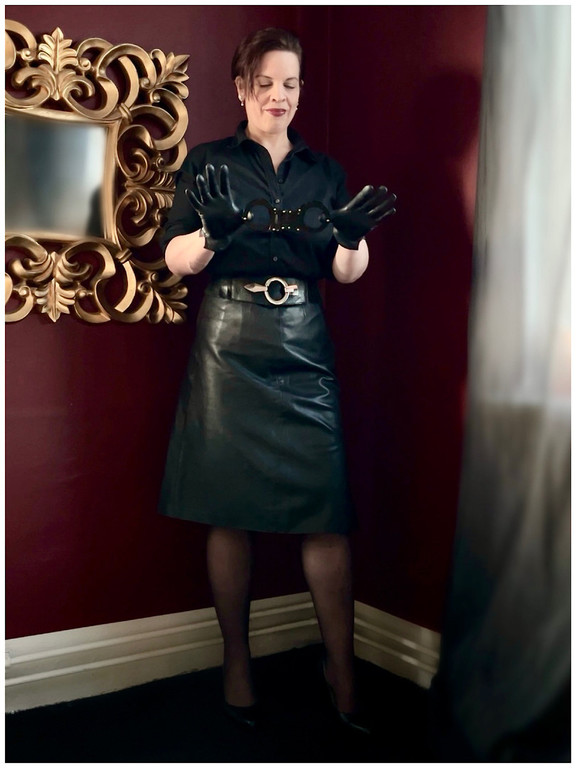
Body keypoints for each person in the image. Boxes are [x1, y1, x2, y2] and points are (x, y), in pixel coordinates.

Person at [159, 27, 396, 733]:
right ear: (241, 88)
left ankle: (342, 669)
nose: (278, 96)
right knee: (227, 510)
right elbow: (174, 258)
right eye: (265, 83)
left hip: (303, 342)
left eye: (290, 83)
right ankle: (237, 663)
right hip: (228, 343)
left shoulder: (324, 171)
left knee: (326, 512)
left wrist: (350, 237)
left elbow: (345, 273)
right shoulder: (209, 162)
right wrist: (212, 235)